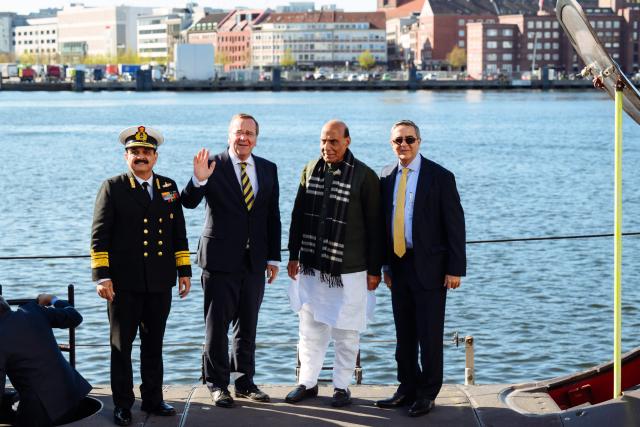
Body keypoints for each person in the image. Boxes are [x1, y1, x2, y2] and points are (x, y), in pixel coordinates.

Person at [91, 125, 192, 426]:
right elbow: (99, 237)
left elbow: (179, 233)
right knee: (122, 346)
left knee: (154, 344)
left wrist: (184, 270)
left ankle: (153, 398)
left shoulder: (168, 186)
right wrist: (102, 277)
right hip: (124, 284)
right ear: (126, 157)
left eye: (146, 152)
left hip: (160, 282)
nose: (141, 157)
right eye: (135, 152)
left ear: (155, 157)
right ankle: (123, 404)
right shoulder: (113, 187)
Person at [181, 113, 281, 408]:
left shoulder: (268, 168)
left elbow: (271, 217)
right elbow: (188, 202)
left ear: (256, 137)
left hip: (254, 262)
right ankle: (217, 383)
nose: (244, 138)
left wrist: (273, 257)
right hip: (219, 260)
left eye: (249, 133)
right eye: (239, 132)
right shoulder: (213, 164)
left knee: (247, 325)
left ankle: (244, 381)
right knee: (217, 326)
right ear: (229, 135)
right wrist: (198, 179)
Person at [286, 119, 383, 407]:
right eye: (323, 141)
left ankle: (341, 386)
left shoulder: (365, 176)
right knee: (310, 328)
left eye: (333, 141)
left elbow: (375, 227)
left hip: (351, 269)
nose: (327, 147)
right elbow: (297, 216)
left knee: (346, 331)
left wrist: (375, 270)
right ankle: (307, 382)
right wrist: (293, 255)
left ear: (347, 142)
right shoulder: (309, 169)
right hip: (312, 265)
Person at [375, 120, 466, 417]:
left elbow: (455, 226)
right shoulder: (386, 175)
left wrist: (455, 269)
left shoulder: (440, 177)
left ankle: (428, 393)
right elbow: (382, 226)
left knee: (429, 335)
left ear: (419, 141)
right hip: (398, 266)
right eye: (398, 140)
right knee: (404, 336)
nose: (404, 145)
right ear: (391, 144)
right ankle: (406, 388)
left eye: (409, 140)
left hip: (431, 267)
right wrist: (384, 265)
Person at [0, 293, 92, 426]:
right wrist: (53, 299)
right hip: (73, 396)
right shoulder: (32, 310)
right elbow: (74, 317)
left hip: (44, 413)